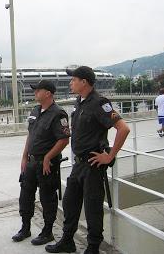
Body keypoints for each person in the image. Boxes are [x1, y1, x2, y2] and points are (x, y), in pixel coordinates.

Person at [46, 66, 130, 254]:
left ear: (84, 82)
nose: (70, 82)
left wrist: (109, 156)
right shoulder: (79, 102)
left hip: (92, 164)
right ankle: (67, 240)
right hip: (78, 164)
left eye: (73, 79)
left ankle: (93, 247)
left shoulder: (99, 103)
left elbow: (123, 129)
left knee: (92, 208)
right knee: (69, 203)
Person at [12, 80, 70, 246]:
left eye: (38, 90)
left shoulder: (58, 114)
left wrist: (47, 157)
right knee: (25, 195)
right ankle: (25, 228)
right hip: (31, 162)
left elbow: (64, 140)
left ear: (48, 93)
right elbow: (30, 136)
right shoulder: (35, 110)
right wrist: (24, 157)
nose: (35, 92)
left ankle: (47, 232)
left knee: (47, 197)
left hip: (47, 165)